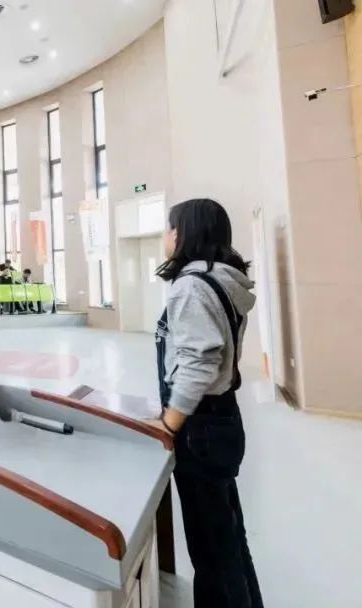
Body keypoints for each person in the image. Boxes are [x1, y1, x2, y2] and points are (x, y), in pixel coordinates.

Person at [152, 199, 262, 607]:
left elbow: (199, 364)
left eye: (169, 227)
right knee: (228, 538)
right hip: (222, 418)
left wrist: (168, 423)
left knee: (211, 551)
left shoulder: (190, 287)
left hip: (199, 427)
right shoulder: (222, 280)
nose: (166, 235)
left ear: (183, 233)